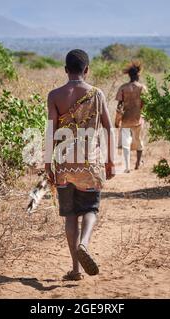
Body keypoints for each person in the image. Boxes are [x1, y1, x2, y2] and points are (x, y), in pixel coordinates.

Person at [45, 49, 115, 281]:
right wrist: (110, 160)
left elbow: (50, 132)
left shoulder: (54, 95)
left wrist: (48, 165)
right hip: (90, 164)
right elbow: (109, 128)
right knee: (91, 209)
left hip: (64, 165)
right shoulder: (97, 94)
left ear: (65, 70)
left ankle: (75, 269)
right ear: (87, 70)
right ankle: (84, 243)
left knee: (70, 217)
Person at [115, 61, 148, 173]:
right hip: (138, 119)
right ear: (138, 75)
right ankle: (138, 163)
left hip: (125, 120)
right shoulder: (142, 88)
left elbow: (119, 106)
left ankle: (127, 166)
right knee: (138, 140)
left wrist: (117, 120)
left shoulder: (123, 88)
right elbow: (146, 104)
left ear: (129, 75)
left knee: (126, 142)